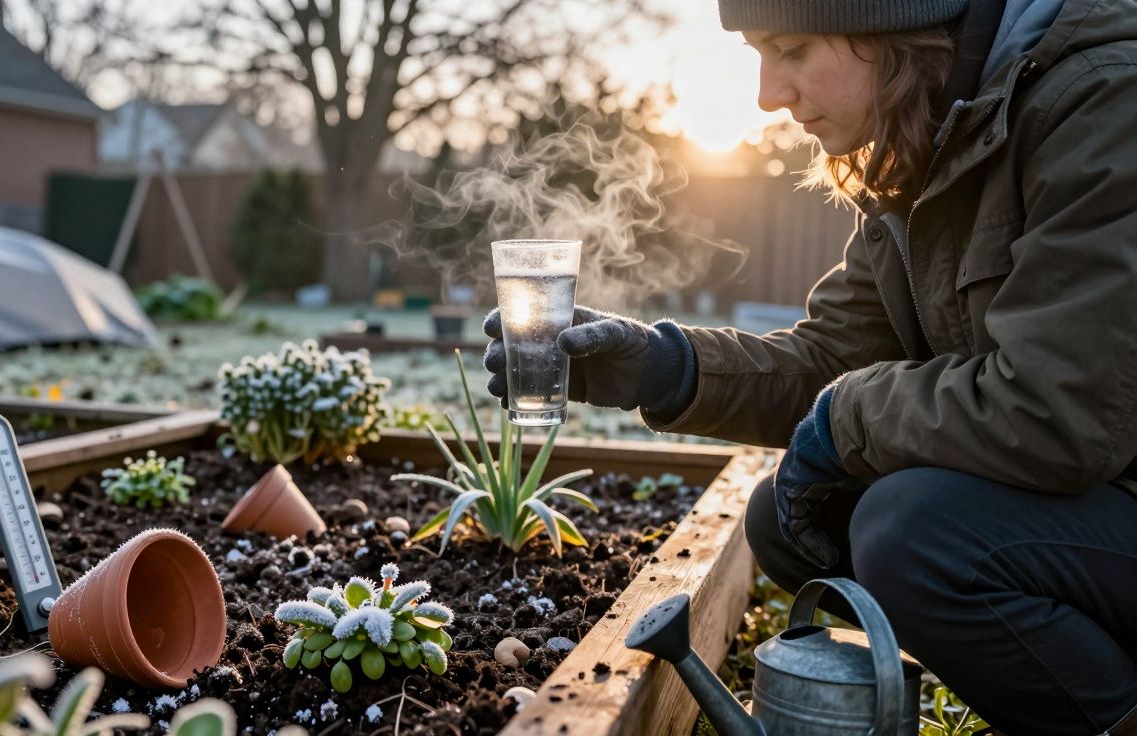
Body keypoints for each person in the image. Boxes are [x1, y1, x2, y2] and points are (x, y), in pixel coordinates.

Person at [482, 0, 1137, 733]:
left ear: (889, 25)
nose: (768, 94)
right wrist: (662, 368)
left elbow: (1057, 411)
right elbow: (832, 358)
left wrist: (847, 414)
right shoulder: (930, 139)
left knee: (914, 532)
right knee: (789, 518)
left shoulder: (1101, 100)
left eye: (790, 48)